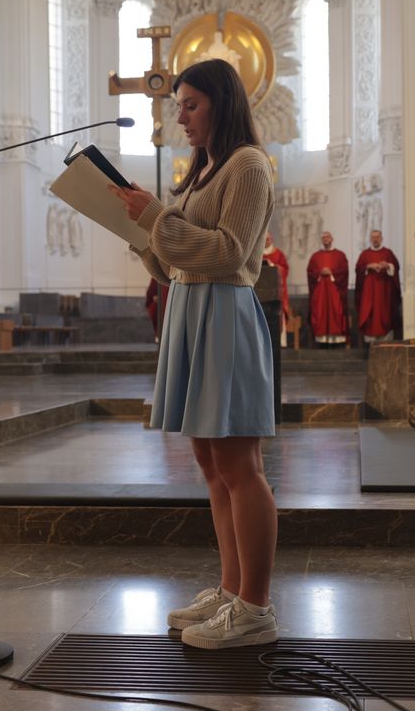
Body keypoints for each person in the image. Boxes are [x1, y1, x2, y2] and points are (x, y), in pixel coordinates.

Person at [110, 59, 279, 650]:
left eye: (190, 105)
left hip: (224, 315)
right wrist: (142, 236)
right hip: (190, 311)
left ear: (221, 104)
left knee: (240, 467)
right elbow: (177, 260)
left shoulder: (249, 166)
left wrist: (156, 218)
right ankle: (231, 590)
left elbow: (230, 253)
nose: (179, 116)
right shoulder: (202, 171)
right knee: (211, 467)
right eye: (177, 105)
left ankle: (255, 606)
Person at [354, 229, 401, 344]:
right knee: (371, 315)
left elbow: (396, 266)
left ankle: (385, 340)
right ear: (370, 239)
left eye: (377, 237)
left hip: (385, 291)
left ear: (381, 238)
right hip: (369, 292)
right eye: (373, 237)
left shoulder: (388, 253)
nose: (375, 239)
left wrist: (388, 265)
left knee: (385, 313)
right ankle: (371, 341)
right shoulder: (365, 254)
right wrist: (368, 266)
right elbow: (358, 269)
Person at [306, 231, 349, 346]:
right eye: (323, 237)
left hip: (335, 292)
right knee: (320, 313)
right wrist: (320, 273)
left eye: (327, 237)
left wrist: (332, 272)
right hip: (320, 293)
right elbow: (310, 272)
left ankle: (337, 341)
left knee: (336, 312)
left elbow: (344, 271)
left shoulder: (340, 255)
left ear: (332, 239)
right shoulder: (315, 256)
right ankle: (322, 341)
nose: (325, 239)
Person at [261, 231, 292, 346]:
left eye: (268, 239)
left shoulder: (278, 254)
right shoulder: (257, 253)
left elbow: (285, 270)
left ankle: (279, 342)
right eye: (264, 240)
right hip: (261, 292)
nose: (266, 242)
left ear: (272, 239)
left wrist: (272, 266)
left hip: (276, 292)